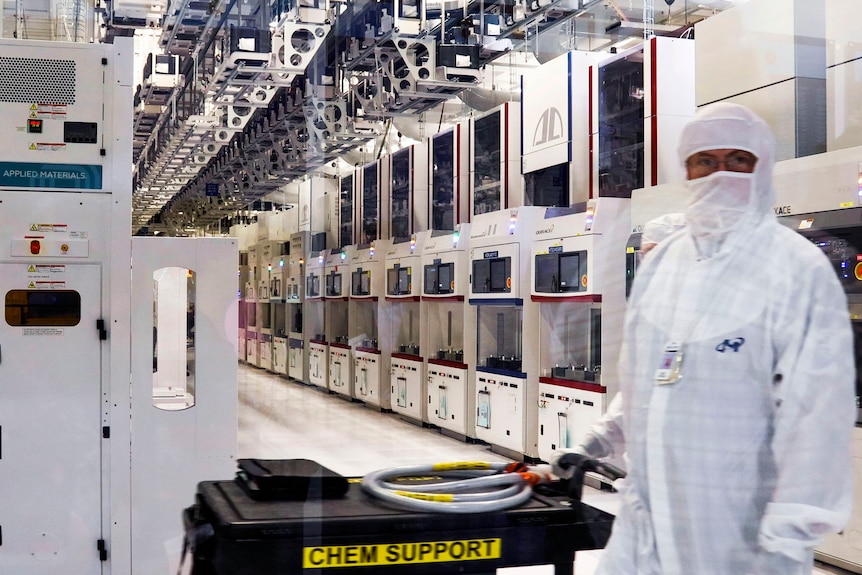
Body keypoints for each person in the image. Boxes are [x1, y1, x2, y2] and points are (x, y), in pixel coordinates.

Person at [570, 103, 855, 575]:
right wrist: (593, 443)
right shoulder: (664, 265)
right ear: (686, 169)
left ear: (761, 168)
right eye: (705, 161)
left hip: (743, 531)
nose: (720, 174)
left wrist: (791, 531)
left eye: (738, 160)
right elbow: (647, 381)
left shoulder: (796, 269)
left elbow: (818, 415)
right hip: (647, 520)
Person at [551, 212, 686, 468]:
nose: (648, 264)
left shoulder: (717, 323)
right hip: (644, 478)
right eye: (645, 255)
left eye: (658, 255)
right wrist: (589, 445)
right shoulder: (651, 320)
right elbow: (636, 394)